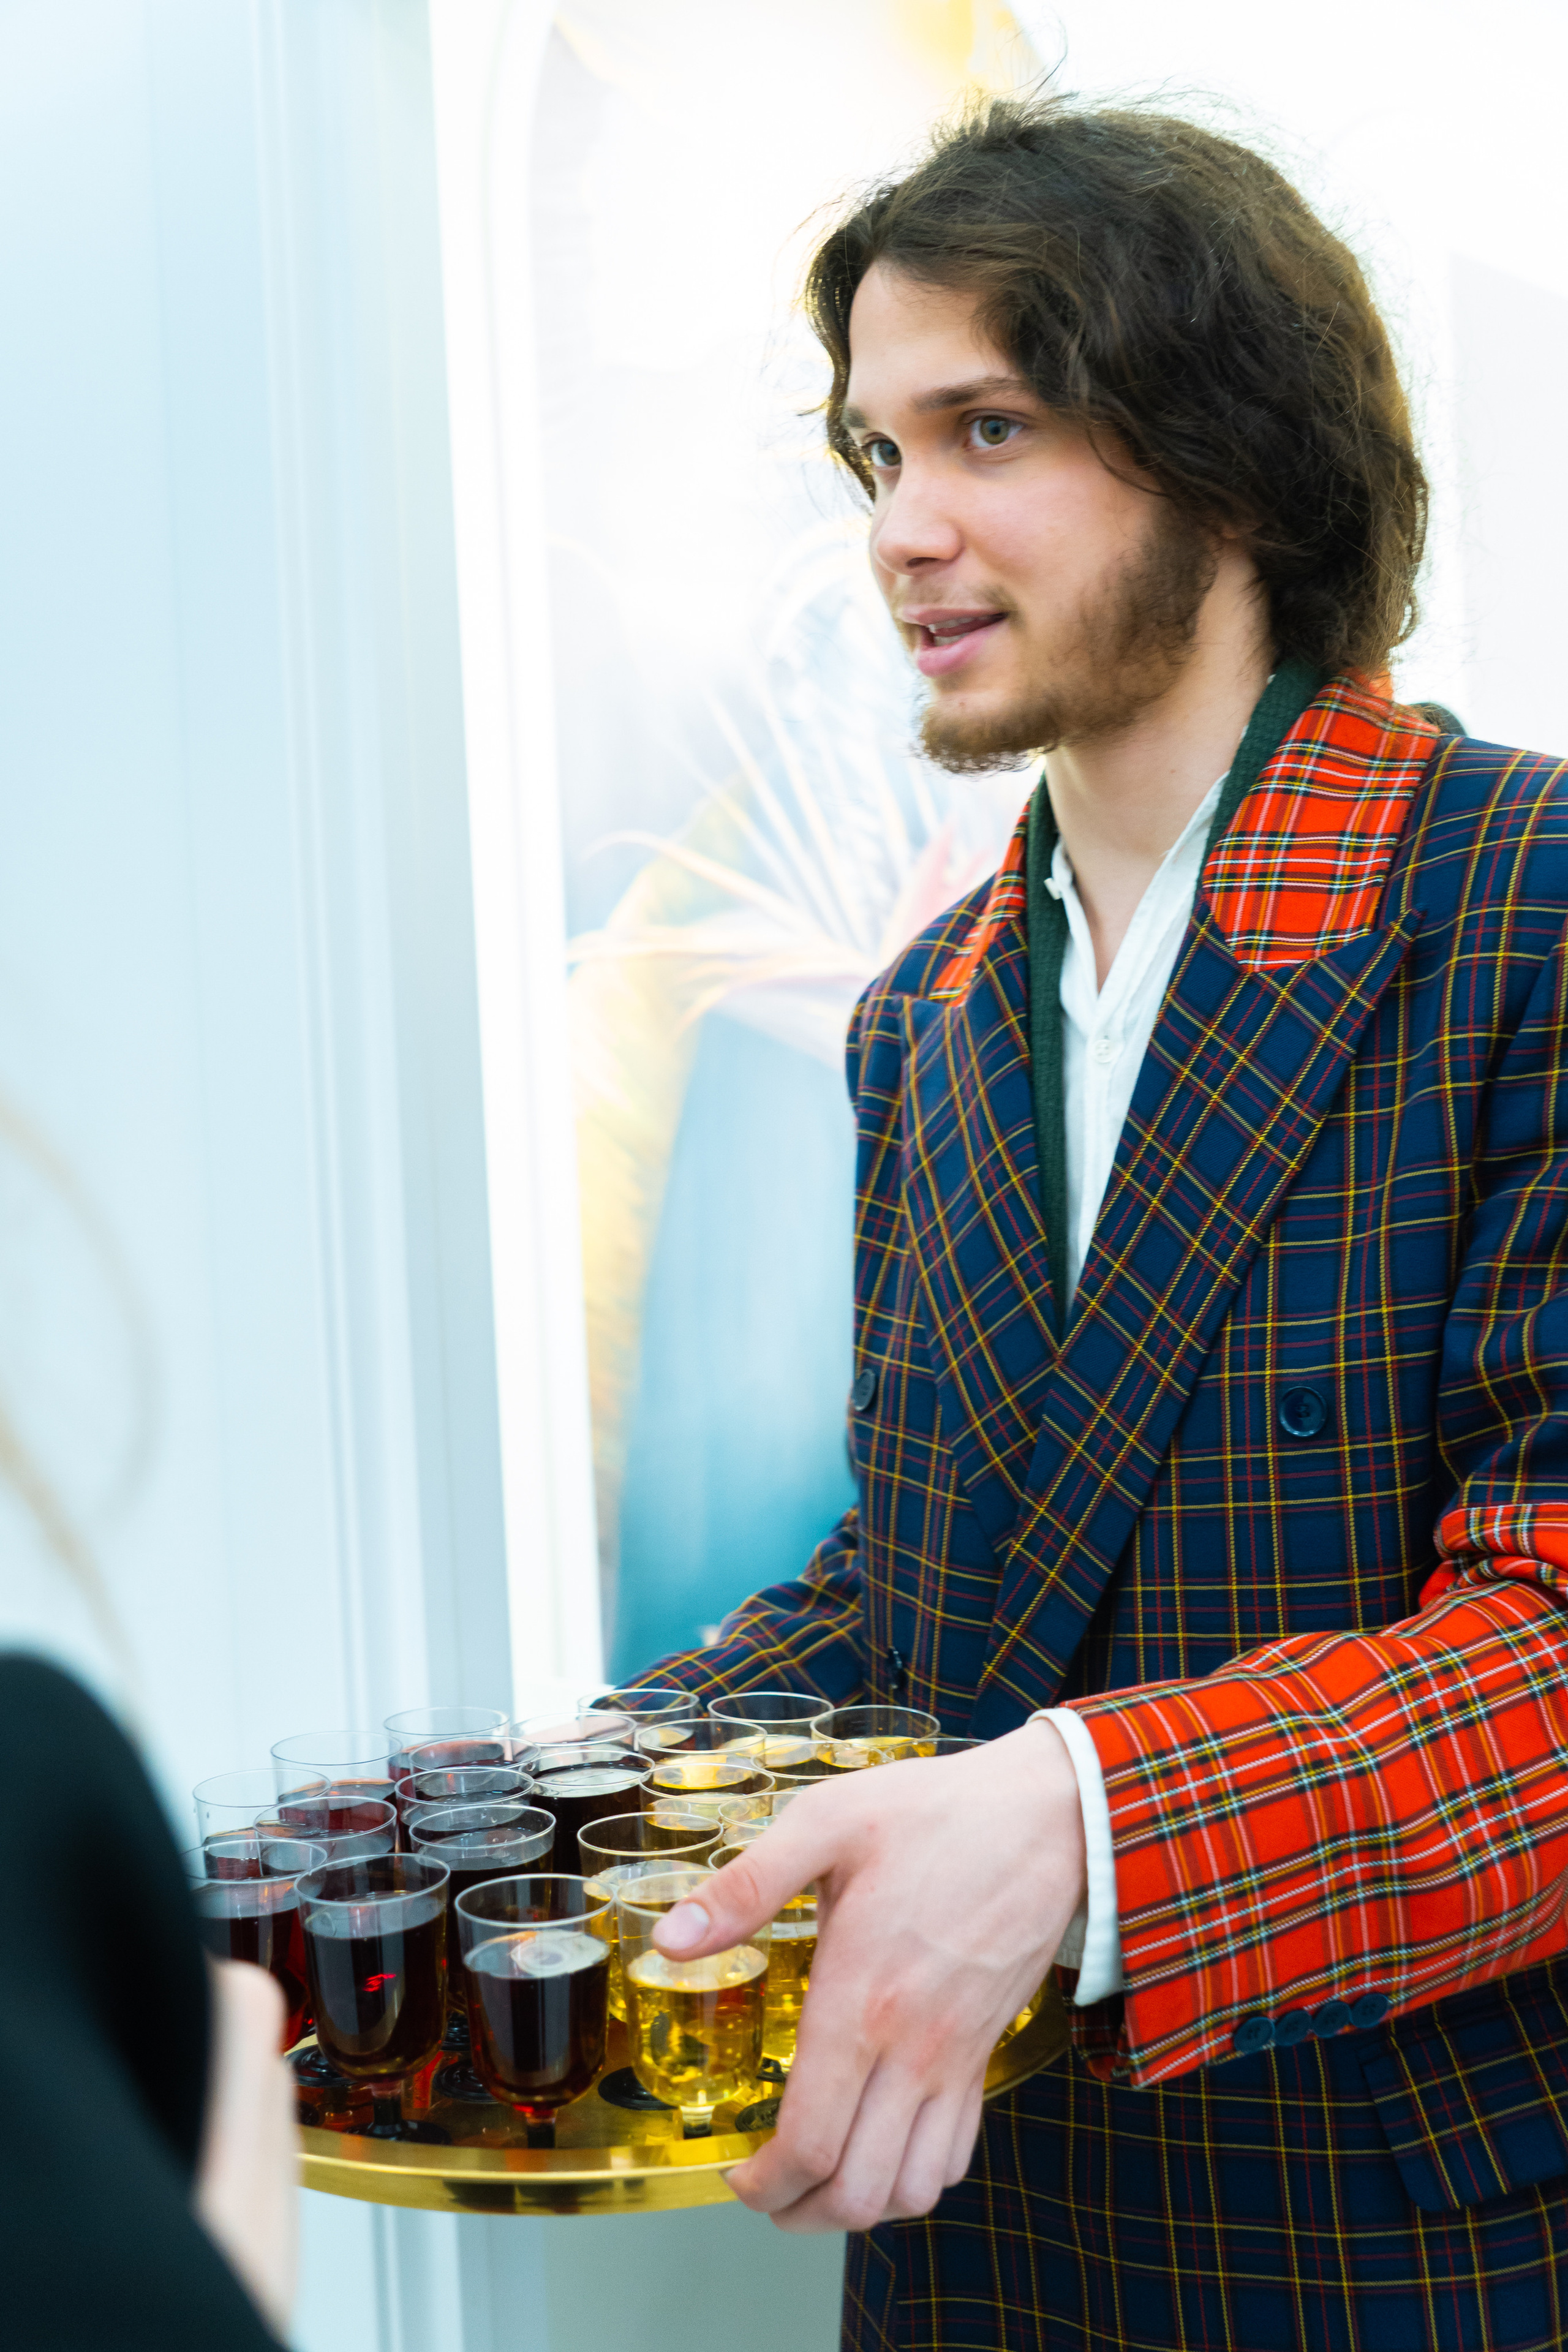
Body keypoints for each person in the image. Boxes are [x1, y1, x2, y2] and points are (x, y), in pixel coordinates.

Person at [633, 94, 1568, 2352]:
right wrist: (554, 1795)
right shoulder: (923, 1021)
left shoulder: (1523, 901)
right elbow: (920, 1579)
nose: (905, 530)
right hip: (964, 2226)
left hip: (1401, 2240)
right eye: (877, 455)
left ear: (1233, 456)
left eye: (991, 427)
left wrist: (1080, 1826)